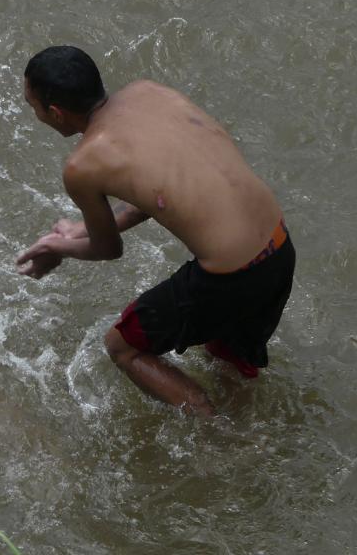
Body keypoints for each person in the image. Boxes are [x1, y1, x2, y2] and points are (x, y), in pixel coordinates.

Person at [15, 46, 295, 416]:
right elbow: (162, 190)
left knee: (122, 346)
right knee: (225, 356)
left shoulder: (83, 165)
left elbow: (108, 249)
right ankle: (245, 427)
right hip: (278, 248)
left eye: (32, 106)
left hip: (232, 276)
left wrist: (57, 247)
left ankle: (212, 432)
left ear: (56, 113)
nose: (35, 115)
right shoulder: (148, 92)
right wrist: (81, 229)